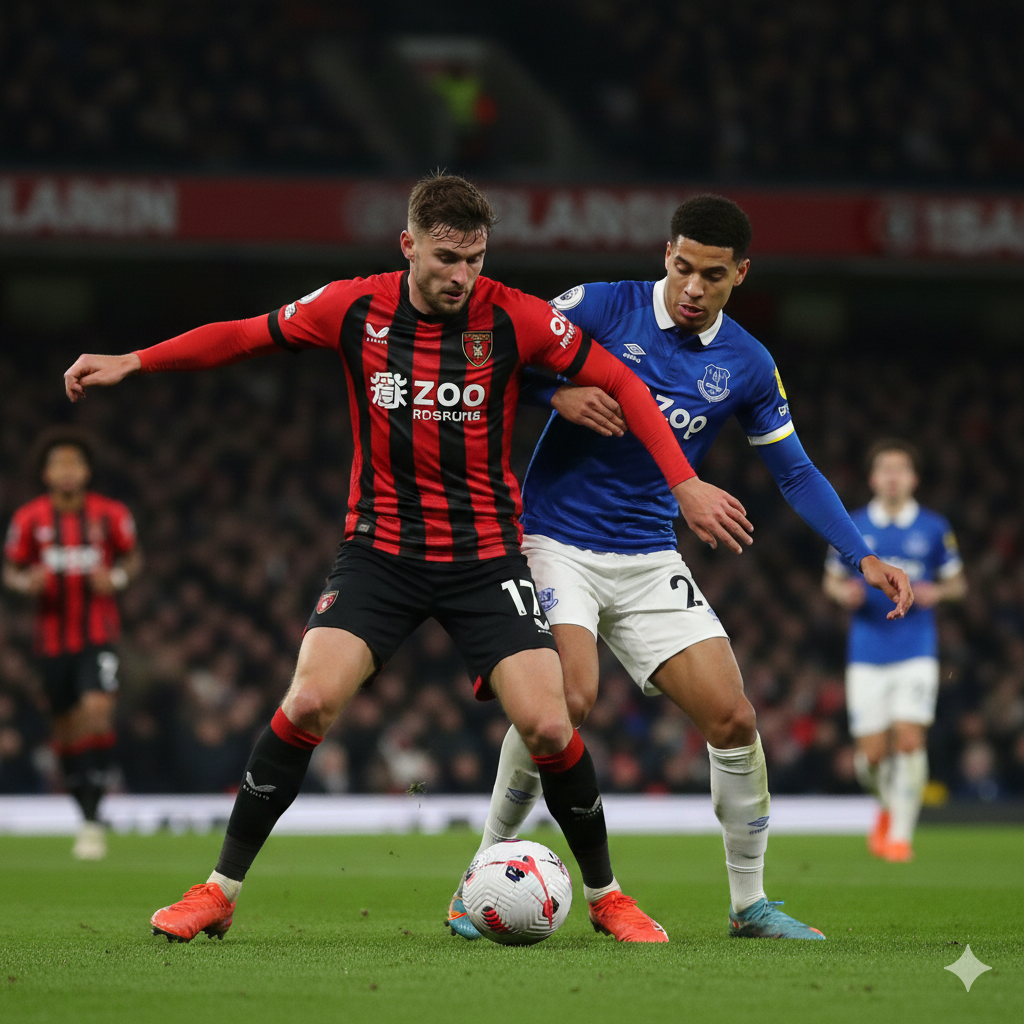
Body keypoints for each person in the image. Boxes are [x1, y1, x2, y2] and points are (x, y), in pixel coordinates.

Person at [63, 174, 754, 944]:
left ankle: (606, 897)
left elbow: (619, 378)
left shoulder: (517, 316)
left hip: (485, 557)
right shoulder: (352, 307)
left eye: (476, 259)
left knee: (553, 726)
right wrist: (135, 361)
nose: (462, 276)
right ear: (409, 245)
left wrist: (684, 482)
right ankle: (218, 891)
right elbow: (243, 334)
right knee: (307, 703)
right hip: (380, 553)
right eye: (447, 257)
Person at [445, 194, 913, 943]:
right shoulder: (600, 307)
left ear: (740, 275)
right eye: (684, 267)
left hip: (647, 552)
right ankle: (477, 878)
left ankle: (749, 904)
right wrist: (554, 392)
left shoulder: (749, 363)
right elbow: (492, 354)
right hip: (553, 539)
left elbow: (795, 473)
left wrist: (862, 554)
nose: (694, 287)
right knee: (567, 700)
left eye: (714, 275)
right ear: (667, 254)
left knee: (733, 718)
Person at [3, 429, 141, 859]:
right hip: (50, 642)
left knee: (98, 711)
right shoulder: (29, 519)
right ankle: (85, 812)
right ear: (46, 473)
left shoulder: (110, 514)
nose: (67, 470)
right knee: (63, 730)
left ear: (86, 471)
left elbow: (133, 557)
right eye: (59, 463)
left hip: (98, 635)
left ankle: (94, 817)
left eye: (74, 463)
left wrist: (117, 577)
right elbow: (11, 569)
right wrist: (25, 582)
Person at [824, 439, 964, 862]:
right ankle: (888, 809)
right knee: (869, 759)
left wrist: (936, 592)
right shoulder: (852, 524)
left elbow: (958, 584)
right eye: (885, 468)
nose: (892, 476)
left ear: (913, 478)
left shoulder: (934, 527)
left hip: (916, 647)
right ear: (872, 478)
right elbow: (830, 580)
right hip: (866, 650)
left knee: (907, 740)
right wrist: (841, 594)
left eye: (900, 469)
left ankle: (901, 836)